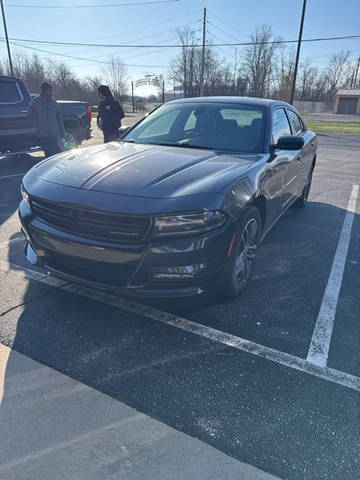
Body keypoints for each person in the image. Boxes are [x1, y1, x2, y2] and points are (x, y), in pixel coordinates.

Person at [30, 82, 65, 157]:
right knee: (47, 153)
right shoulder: (35, 102)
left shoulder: (54, 103)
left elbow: (59, 119)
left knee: (55, 153)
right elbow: (30, 116)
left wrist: (62, 134)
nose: (51, 93)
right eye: (50, 91)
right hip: (42, 134)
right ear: (44, 91)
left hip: (53, 134)